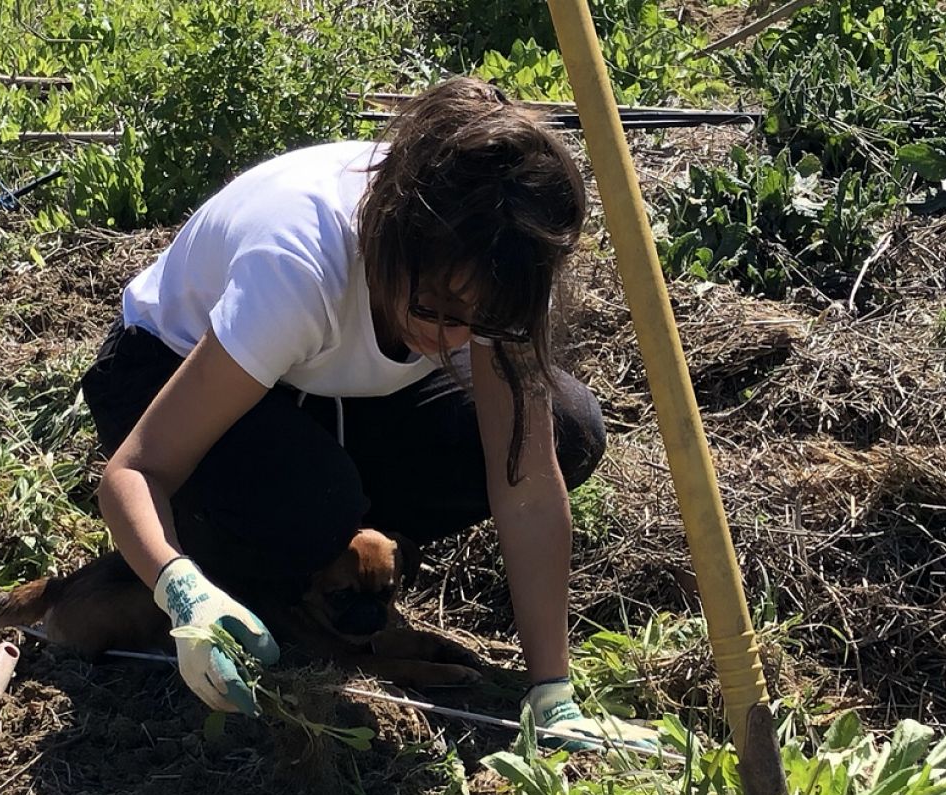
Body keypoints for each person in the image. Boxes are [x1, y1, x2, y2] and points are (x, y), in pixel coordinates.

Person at [80, 76, 656, 749]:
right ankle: (252, 570)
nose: (457, 342)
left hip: (323, 389)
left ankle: (313, 550)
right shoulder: (297, 265)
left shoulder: (496, 261)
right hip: (163, 371)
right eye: (437, 312)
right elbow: (136, 470)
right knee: (314, 508)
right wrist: (183, 593)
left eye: (484, 322)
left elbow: (524, 482)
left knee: (566, 429)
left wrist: (551, 691)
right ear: (389, 245)